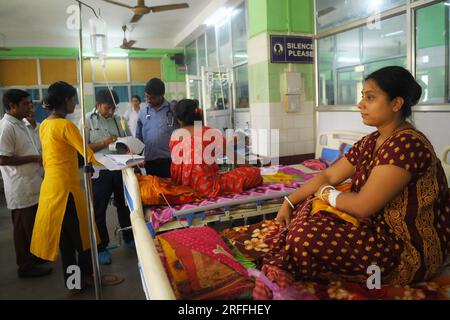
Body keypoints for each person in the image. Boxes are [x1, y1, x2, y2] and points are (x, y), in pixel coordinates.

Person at [268, 66, 450, 286]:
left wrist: (327, 194)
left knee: (306, 235)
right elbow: (328, 174)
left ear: (396, 104)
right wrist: (288, 201)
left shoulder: (406, 144)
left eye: (370, 97)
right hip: (375, 229)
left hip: (405, 249)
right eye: (363, 96)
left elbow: (362, 206)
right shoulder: (371, 141)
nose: (360, 104)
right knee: (306, 205)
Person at [30, 81, 123, 291]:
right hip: (66, 191)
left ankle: (74, 284)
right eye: (73, 99)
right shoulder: (66, 126)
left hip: (51, 188)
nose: (75, 103)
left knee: (66, 242)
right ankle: (88, 278)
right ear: (66, 101)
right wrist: (125, 162)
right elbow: (89, 156)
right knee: (82, 237)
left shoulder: (45, 124)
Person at [0, 89, 51, 278]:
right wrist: (33, 158)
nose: (29, 107)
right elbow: (3, 159)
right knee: (22, 227)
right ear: (12, 106)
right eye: (25, 104)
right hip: (19, 186)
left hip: (32, 183)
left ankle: (35, 257)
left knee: (32, 226)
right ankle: (25, 265)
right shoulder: (6, 127)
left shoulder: (22, 124)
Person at [81, 89, 134, 265]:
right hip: (99, 171)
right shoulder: (87, 120)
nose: (110, 112)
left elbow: (129, 141)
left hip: (119, 169)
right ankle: (101, 246)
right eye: (107, 108)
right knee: (99, 210)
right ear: (97, 105)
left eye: (113, 108)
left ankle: (129, 237)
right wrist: (104, 142)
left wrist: (126, 145)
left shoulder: (119, 120)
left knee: (124, 205)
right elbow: (82, 148)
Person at [170, 99, 262, 198]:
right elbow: (236, 159)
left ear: (179, 119)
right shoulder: (209, 133)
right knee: (255, 173)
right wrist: (251, 168)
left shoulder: (174, 136)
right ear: (199, 114)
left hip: (181, 188)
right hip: (206, 188)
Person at [136, 78, 179, 178]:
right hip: (150, 162)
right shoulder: (143, 112)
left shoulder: (173, 110)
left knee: (170, 191)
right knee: (153, 192)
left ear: (161, 95)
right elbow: (138, 138)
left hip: (170, 161)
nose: (148, 100)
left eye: (152, 97)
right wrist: (136, 160)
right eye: (146, 97)